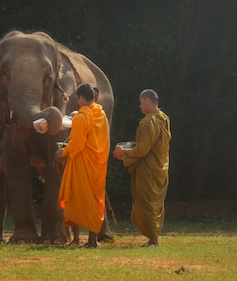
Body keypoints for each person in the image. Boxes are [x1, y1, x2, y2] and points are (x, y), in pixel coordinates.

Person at [113, 89, 170, 247]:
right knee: (154, 202)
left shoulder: (147, 122)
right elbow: (151, 144)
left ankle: (153, 239)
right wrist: (128, 146)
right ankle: (154, 237)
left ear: (147, 100)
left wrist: (123, 153)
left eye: (140, 102)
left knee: (146, 202)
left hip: (148, 168)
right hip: (160, 166)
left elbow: (142, 149)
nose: (139, 106)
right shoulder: (164, 118)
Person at [57, 83, 110, 248]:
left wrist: (62, 153)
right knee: (94, 200)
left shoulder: (81, 117)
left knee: (74, 199)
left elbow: (77, 144)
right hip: (97, 164)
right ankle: (91, 239)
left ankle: (79, 239)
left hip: (81, 163)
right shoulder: (100, 114)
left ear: (80, 98)